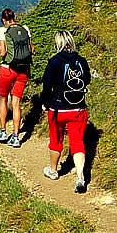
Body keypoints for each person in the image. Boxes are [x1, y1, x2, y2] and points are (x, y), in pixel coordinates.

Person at [40, 30, 91, 193]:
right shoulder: (81, 61)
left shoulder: (54, 61)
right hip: (78, 108)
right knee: (77, 142)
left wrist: (45, 103)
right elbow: (87, 79)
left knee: (56, 139)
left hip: (58, 108)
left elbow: (46, 86)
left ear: (58, 43)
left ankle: (53, 171)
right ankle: (80, 177)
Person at [0, 8, 34, 147]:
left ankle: (3, 131)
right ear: (15, 18)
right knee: (17, 103)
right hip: (23, 70)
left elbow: (2, 52)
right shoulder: (25, 29)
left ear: (4, 20)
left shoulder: (2, 31)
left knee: (3, 98)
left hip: (7, 69)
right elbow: (32, 50)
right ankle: (16, 136)